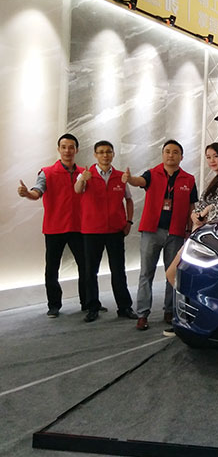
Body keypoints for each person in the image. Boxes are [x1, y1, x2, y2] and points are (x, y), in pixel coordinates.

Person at [162, 142, 218, 337]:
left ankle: (187, 318)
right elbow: (201, 206)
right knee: (174, 274)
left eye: (215, 156)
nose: (211, 160)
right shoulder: (215, 179)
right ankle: (187, 317)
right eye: (208, 157)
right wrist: (196, 214)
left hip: (210, 237)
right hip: (199, 234)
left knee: (177, 275)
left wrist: (206, 211)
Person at [123, 140, 198, 331]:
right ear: (162, 154)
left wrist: (190, 230)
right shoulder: (152, 173)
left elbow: (191, 206)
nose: (170, 155)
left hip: (176, 232)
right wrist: (130, 179)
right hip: (151, 231)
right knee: (146, 273)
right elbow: (140, 181)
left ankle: (169, 311)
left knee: (172, 274)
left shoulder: (189, 179)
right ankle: (142, 314)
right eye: (167, 151)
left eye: (175, 152)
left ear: (181, 157)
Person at [17, 134, 87, 317]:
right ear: (58, 149)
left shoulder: (84, 173)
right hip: (54, 227)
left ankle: (87, 302)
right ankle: (54, 305)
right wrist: (26, 193)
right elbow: (37, 192)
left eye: (71, 147)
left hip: (79, 227)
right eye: (64, 147)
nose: (67, 151)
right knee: (52, 269)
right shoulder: (47, 172)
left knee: (85, 266)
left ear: (77, 150)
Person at [74, 140, 138, 323]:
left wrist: (129, 221)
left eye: (108, 152)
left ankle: (124, 307)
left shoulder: (120, 176)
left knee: (118, 270)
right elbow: (77, 190)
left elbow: (129, 200)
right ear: (95, 155)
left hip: (115, 230)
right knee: (90, 271)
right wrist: (83, 179)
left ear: (113, 154)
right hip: (92, 230)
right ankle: (92, 307)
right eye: (101, 152)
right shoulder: (86, 174)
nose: (105, 155)